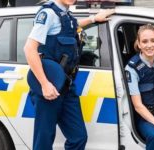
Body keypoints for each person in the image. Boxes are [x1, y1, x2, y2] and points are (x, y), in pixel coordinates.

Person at [24, 0, 114, 150]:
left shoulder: (66, 15)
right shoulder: (48, 13)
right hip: (50, 89)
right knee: (44, 142)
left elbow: (71, 26)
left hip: (66, 87)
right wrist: (45, 84)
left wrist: (93, 19)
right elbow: (29, 49)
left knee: (78, 138)